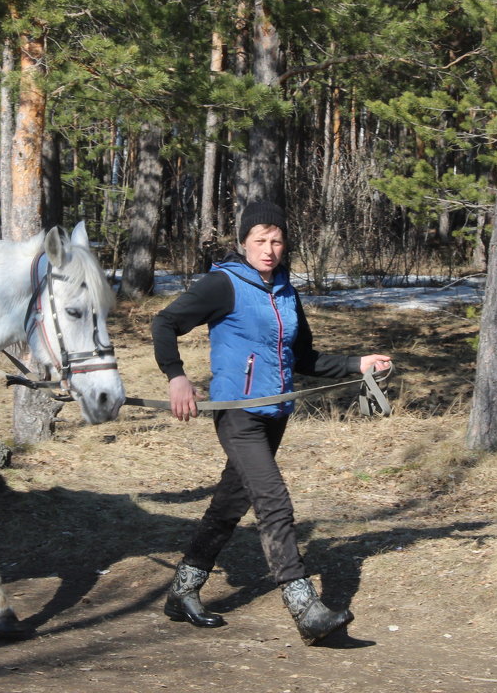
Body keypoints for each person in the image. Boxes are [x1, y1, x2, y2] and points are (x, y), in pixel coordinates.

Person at [150, 201, 392, 645]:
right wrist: (177, 378)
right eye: (259, 240)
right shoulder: (222, 283)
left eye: (276, 240)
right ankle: (305, 608)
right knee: (273, 500)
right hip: (236, 413)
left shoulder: (285, 289)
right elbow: (164, 323)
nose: (269, 249)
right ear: (243, 242)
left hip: (275, 413)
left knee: (228, 505)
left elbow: (304, 358)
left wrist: (357, 364)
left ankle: (182, 591)